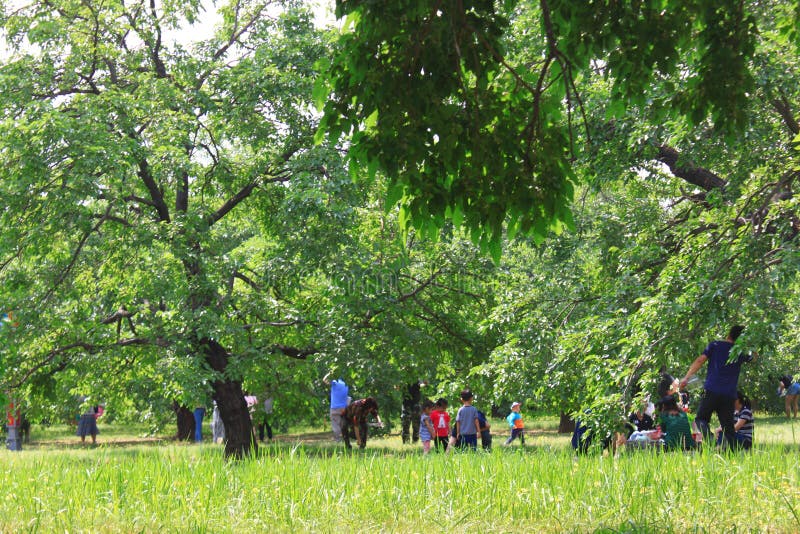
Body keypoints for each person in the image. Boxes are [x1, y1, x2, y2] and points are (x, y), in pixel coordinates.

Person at [678, 325, 755, 449]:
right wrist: (750, 345)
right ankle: (732, 454)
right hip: (729, 395)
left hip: (711, 391)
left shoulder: (715, 345)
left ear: (728, 334)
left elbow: (700, 360)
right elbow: (753, 357)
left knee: (701, 419)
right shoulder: (740, 352)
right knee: (728, 428)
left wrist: (686, 378)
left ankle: (711, 441)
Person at [324, 371, 349, 442]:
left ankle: (338, 439)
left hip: (334, 408)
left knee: (335, 424)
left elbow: (324, 380)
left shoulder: (335, 383)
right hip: (344, 408)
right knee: (342, 424)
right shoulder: (346, 384)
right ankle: (344, 438)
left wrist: (329, 373)